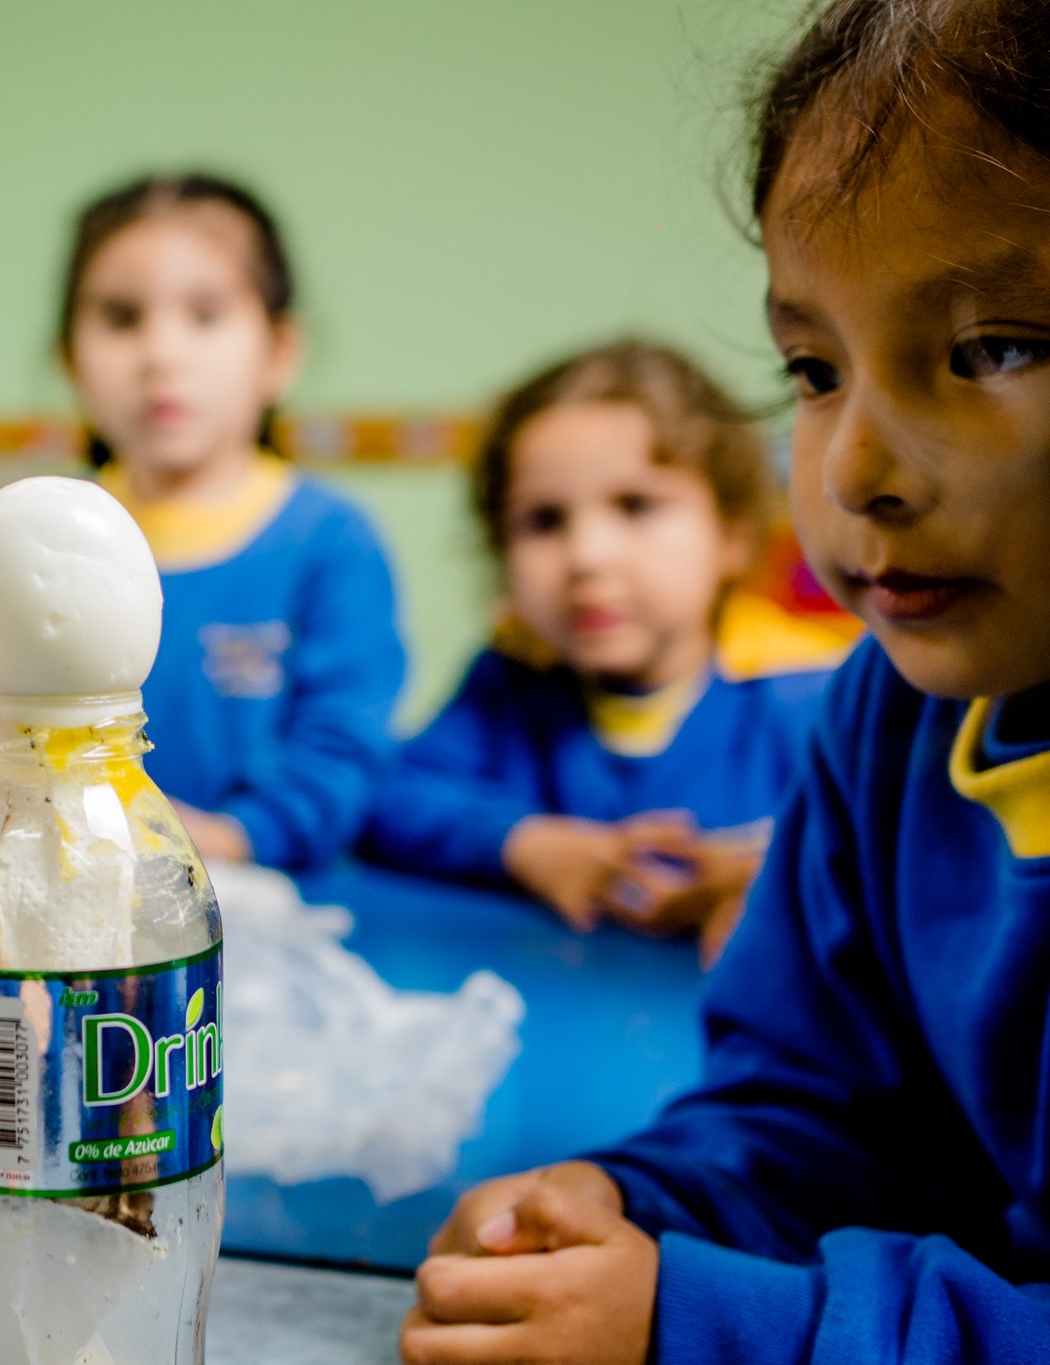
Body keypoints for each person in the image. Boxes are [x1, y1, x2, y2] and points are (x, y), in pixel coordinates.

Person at [403, 2, 1050, 1361]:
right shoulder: (892, 717)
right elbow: (819, 1112)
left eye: (995, 347)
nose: (854, 469)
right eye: (813, 369)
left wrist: (695, 1323)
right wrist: (635, 1201)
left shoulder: (802, 697)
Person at [357, 340, 847, 961]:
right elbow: (388, 799)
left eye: (635, 506)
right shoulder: (511, 682)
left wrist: (771, 876)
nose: (587, 556)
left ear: (732, 534)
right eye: (543, 522)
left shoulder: (811, 691)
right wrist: (525, 845)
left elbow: (908, 845)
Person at [45, 171, 405, 871]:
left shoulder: (332, 543)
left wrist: (235, 838)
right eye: (121, 318)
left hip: (276, 910)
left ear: (278, 353)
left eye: (205, 314)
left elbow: (345, 751)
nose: (161, 355)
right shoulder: (45, 538)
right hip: (70, 901)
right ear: (70, 361)